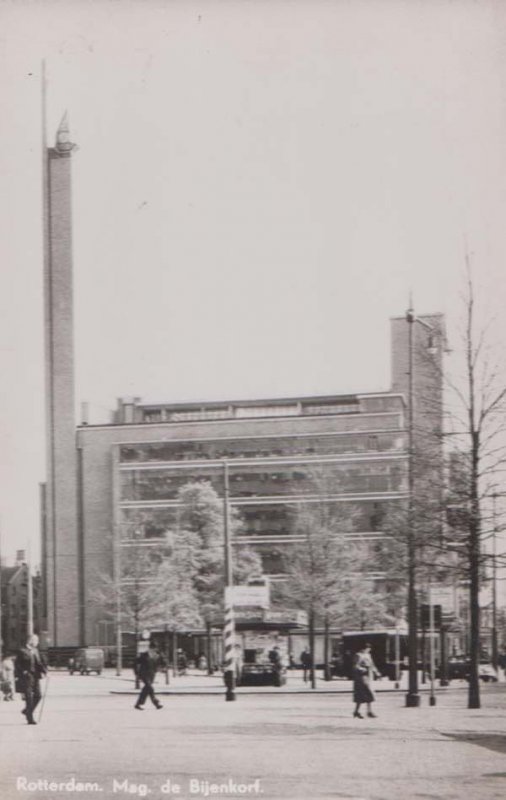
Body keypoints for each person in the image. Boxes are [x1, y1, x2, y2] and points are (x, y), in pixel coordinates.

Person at [14, 634, 47, 725]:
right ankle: (30, 719)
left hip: (35, 676)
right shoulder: (22, 651)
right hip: (26, 677)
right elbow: (17, 664)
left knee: (38, 695)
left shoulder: (36, 651)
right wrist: (23, 672)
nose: (37, 642)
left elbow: (39, 663)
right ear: (30, 641)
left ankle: (27, 711)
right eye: (36, 640)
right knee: (29, 697)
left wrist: (45, 672)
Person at [352, 643, 380, 719]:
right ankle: (364, 711)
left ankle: (362, 711)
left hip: (368, 676)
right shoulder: (358, 655)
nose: (369, 650)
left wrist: (376, 672)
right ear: (364, 648)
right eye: (368, 648)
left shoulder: (368, 655)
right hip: (361, 677)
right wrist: (362, 669)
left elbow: (372, 665)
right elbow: (355, 666)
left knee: (367, 694)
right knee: (365, 693)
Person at [134, 641, 163, 710]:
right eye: (152, 648)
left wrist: (160, 668)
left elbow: (160, 663)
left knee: (146, 689)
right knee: (150, 687)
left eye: (155, 649)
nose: (154, 650)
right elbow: (135, 663)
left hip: (152, 674)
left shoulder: (157, 655)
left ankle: (138, 704)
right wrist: (136, 673)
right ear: (150, 648)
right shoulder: (144, 655)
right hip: (144, 674)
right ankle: (156, 702)